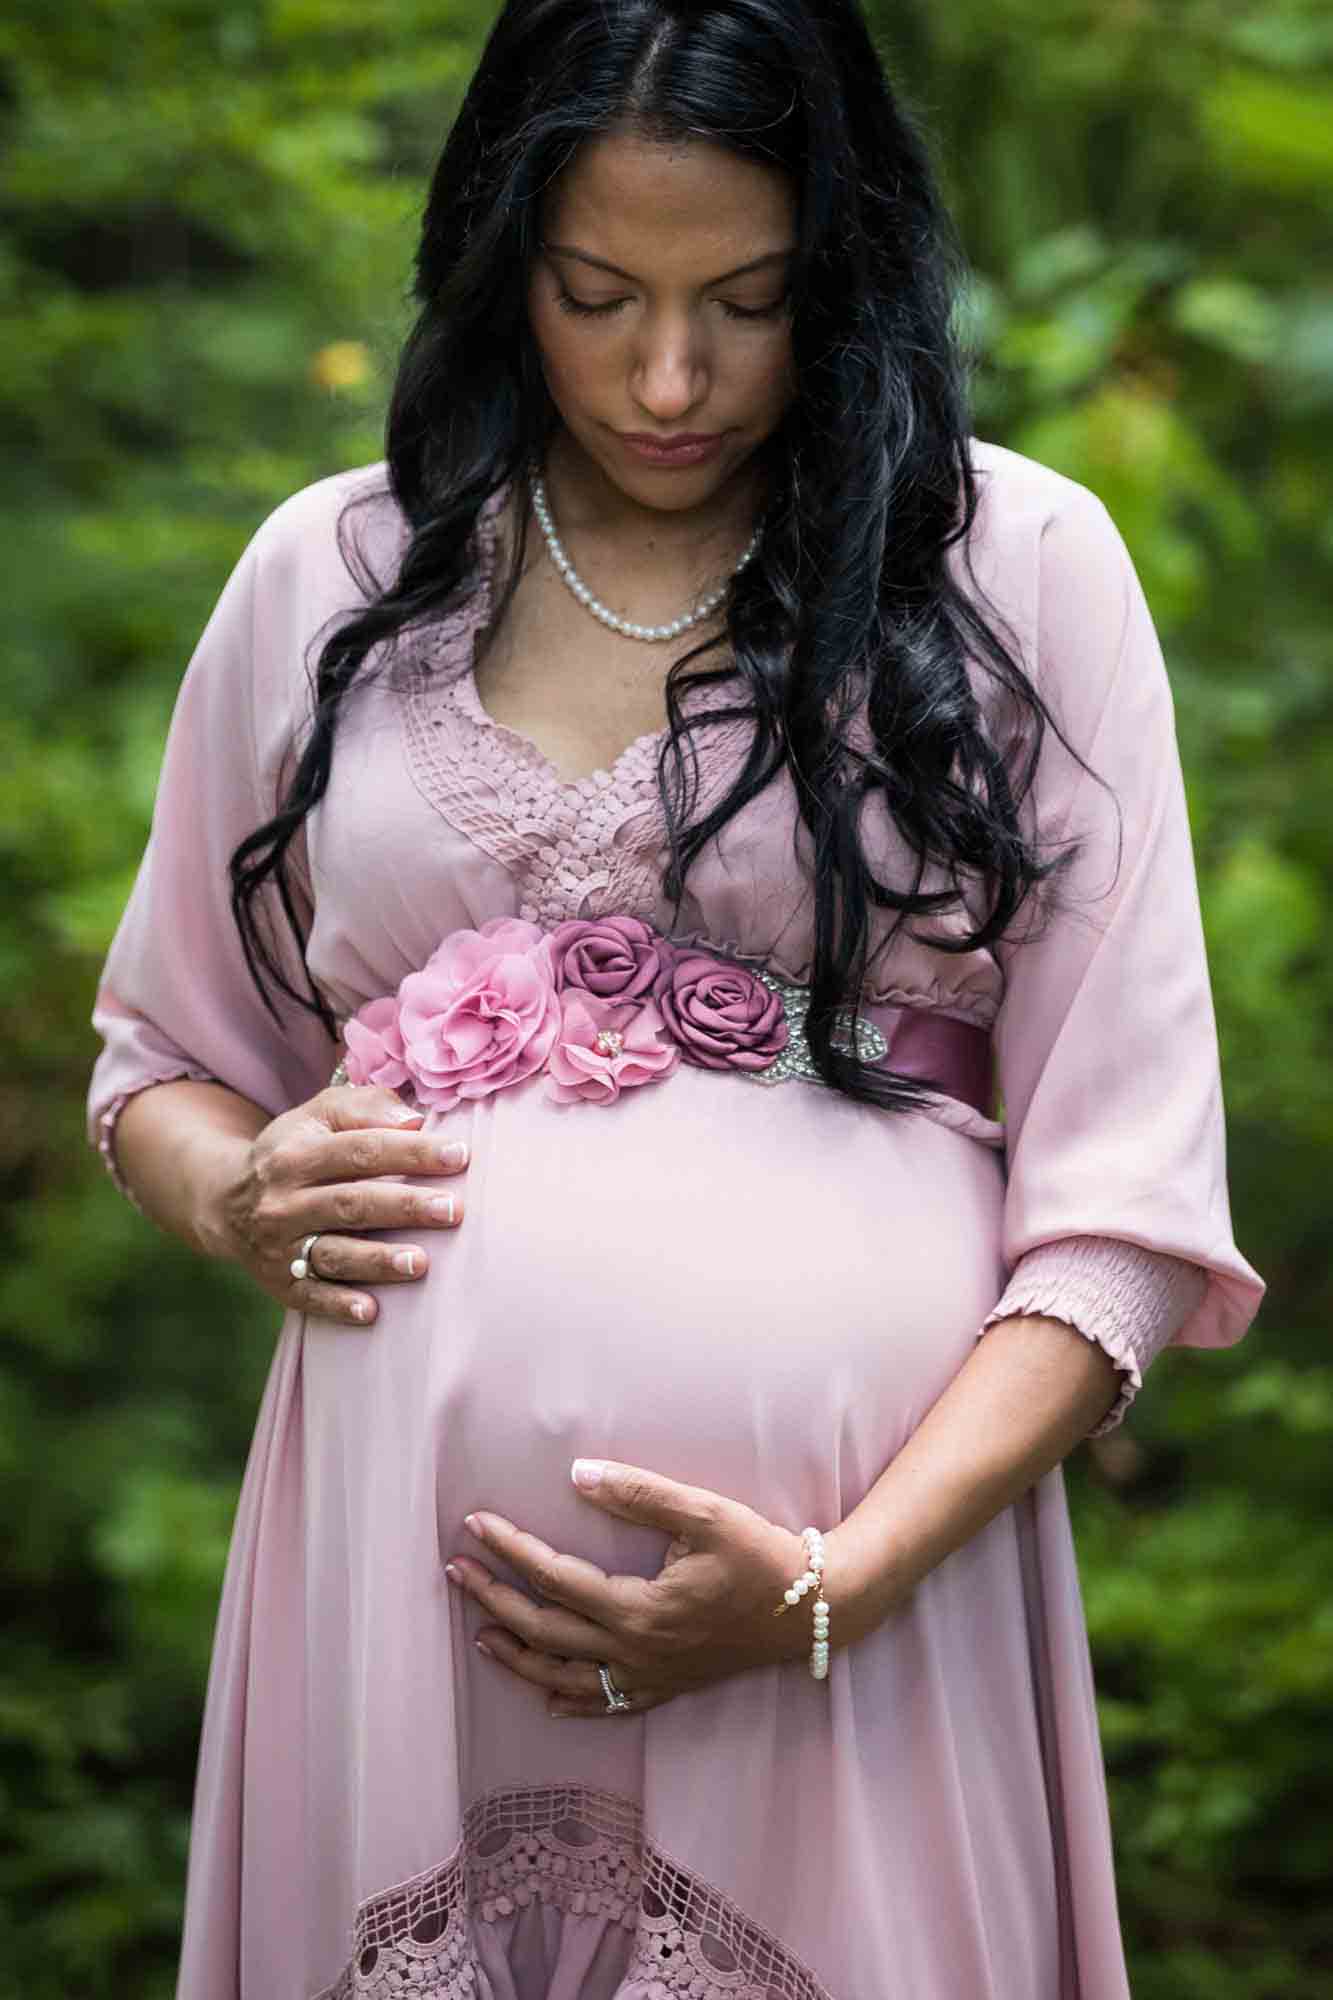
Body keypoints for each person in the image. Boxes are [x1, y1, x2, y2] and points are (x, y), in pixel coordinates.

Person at [85, 1, 1267, 1994]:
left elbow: (1125, 1211)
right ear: (499, 256)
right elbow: (165, 1064)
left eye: (746, 298)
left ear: (850, 264)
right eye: (596, 292)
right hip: (398, 1602)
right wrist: (230, 1188)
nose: (667, 373)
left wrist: (828, 1584)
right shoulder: (331, 574)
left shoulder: (1014, 567)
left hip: (855, 1637)